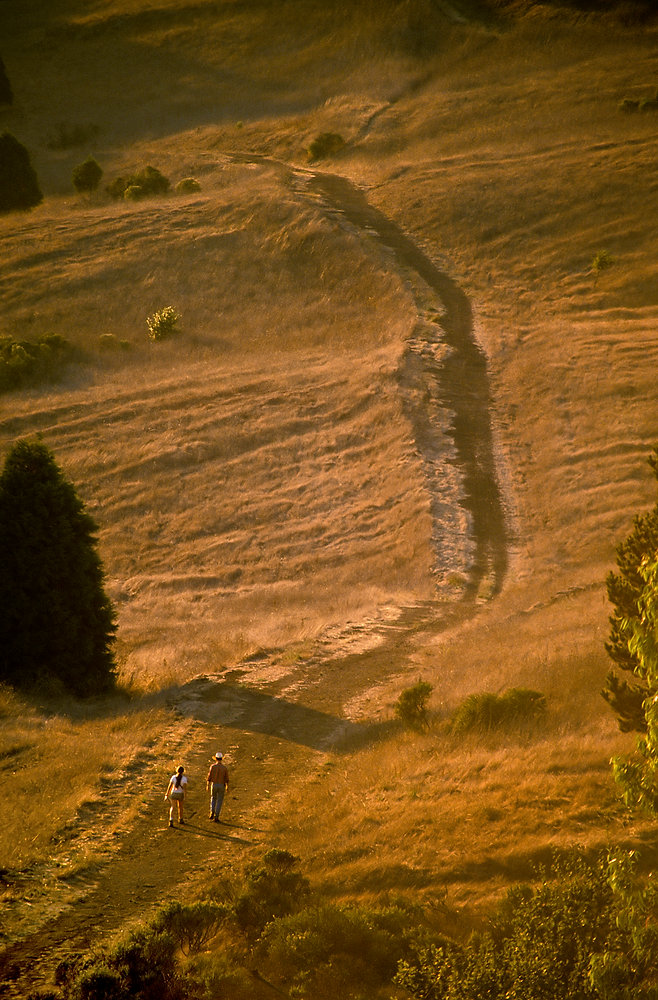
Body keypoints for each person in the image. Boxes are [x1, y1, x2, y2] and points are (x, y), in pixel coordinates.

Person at [207, 751, 229, 822]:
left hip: (214, 784)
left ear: (216, 759)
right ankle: (216, 815)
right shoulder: (224, 768)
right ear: (221, 759)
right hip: (221, 785)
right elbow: (226, 779)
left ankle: (212, 812)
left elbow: (209, 776)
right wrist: (227, 787)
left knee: (213, 798)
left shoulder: (212, 767)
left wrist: (208, 785)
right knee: (219, 800)